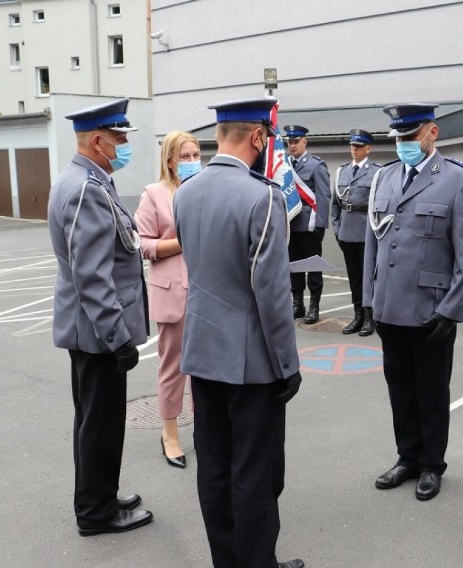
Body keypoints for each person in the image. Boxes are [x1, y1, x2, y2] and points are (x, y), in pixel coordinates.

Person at [174, 98, 304, 568]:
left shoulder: (186, 192)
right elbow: (270, 296)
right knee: (255, 471)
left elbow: (199, 267)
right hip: (251, 362)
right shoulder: (262, 196)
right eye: (266, 137)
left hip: (202, 353)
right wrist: (288, 365)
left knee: (214, 466)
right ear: (256, 137)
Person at [364, 103, 463, 501]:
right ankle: (407, 458)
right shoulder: (384, 178)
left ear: (432, 133)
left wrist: (453, 309)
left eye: (410, 137)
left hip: (432, 309)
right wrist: (368, 300)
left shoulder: (457, 180)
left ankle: (432, 464)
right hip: (389, 306)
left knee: (431, 390)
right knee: (399, 388)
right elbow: (373, 245)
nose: (402, 145)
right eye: (397, 138)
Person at [47, 98, 153, 536]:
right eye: (119, 138)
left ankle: (101, 495)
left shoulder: (89, 179)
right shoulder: (87, 189)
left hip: (91, 331)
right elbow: (92, 275)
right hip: (97, 334)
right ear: (97, 141)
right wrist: (119, 338)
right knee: (100, 424)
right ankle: (96, 512)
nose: (124, 145)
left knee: (95, 420)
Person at [135, 130, 201, 469]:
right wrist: (180, 242)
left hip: (208, 292)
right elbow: (142, 244)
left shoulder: (206, 189)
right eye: (185, 157)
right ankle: (170, 433)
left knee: (206, 368)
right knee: (173, 367)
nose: (191, 162)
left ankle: (205, 431)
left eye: (196, 155)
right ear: (170, 160)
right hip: (173, 291)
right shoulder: (155, 194)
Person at [331, 128, 380, 336]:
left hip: (367, 232)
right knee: (354, 277)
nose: (355, 149)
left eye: (359, 146)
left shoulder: (377, 172)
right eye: (352, 145)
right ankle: (357, 315)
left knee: (368, 276)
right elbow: (335, 205)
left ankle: (370, 317)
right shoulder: (341, 172)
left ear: (368, 149)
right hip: (347, 232)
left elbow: (379, 205)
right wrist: (337, 229)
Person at [284, 124, 330, 324]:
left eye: (296, 142)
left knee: (312, 267)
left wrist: (321, 225)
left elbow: (324, 196)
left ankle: (314, 306)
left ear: (305, 142)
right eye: (289, 142)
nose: (292, 146)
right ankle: (298, 304)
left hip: (309, 225)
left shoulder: (316, 165)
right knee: (294, 266)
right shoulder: (285, 166)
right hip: (290, 225)